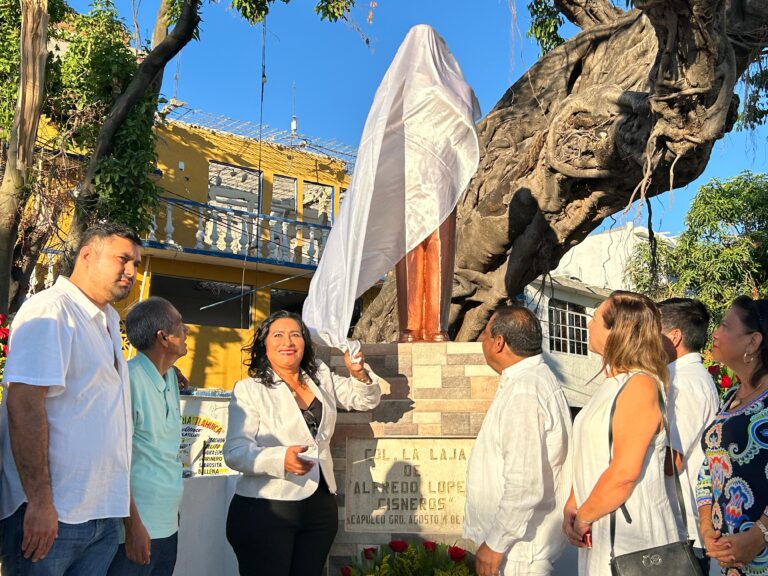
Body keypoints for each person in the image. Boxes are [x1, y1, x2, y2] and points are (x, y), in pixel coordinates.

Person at [0, 223, 142, 575]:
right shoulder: (52, 311)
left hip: (101, 514)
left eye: (136, 264)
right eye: (123, 259)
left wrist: (124, 514)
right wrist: (40, 503)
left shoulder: (107, 318)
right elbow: (24, 404)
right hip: (53, 516)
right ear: (87, 255)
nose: (132, 272)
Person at [223, 310, 382, 576]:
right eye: (278, 335)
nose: (288, 342)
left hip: (319, 509)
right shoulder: (249, 389)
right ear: (265, 343)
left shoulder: (320, 376)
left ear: (305, 343)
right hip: (267, 510)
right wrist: (279, 459)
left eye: (295, 334)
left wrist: (359, 374)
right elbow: (235, 452)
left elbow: (366, 400)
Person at [563, 290, 681, 576]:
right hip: (603, 526)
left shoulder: (640, 385)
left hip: (633, 541)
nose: (588, 325)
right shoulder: (612, 384)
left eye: (594, 319)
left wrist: (584, 516)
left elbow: (624, 472)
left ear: (618, 332)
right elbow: (591, 454)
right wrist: (573, 504)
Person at [463, 306, 572, 576]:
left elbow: (525, 484)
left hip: (517, 555)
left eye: (485, 334)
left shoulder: (525, 391)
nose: (481, 342)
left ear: (499, 343)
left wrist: (495, 544)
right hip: (514, 551)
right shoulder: (527, 381)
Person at [107, 297, 189, 576]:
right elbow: (115, 462)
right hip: (133, 530)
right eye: (180, 325)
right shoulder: (128, 380)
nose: (187, 330)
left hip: (167, 524)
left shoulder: (169, 378)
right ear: (163, 337)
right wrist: (132, 527)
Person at [696, 296, 768, 575]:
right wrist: (706, 525)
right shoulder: (728, 401)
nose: (715, 333)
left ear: (753, 342)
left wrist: (759, 534)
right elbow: (709, 470)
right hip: (728, 559)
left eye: (725, 326)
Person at [658, 298, 719, 574]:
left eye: (653, 329)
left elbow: (672, 460)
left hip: (684, 531)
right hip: (681, 529)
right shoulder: (681, 378)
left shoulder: (686, 382)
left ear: (674, 336)